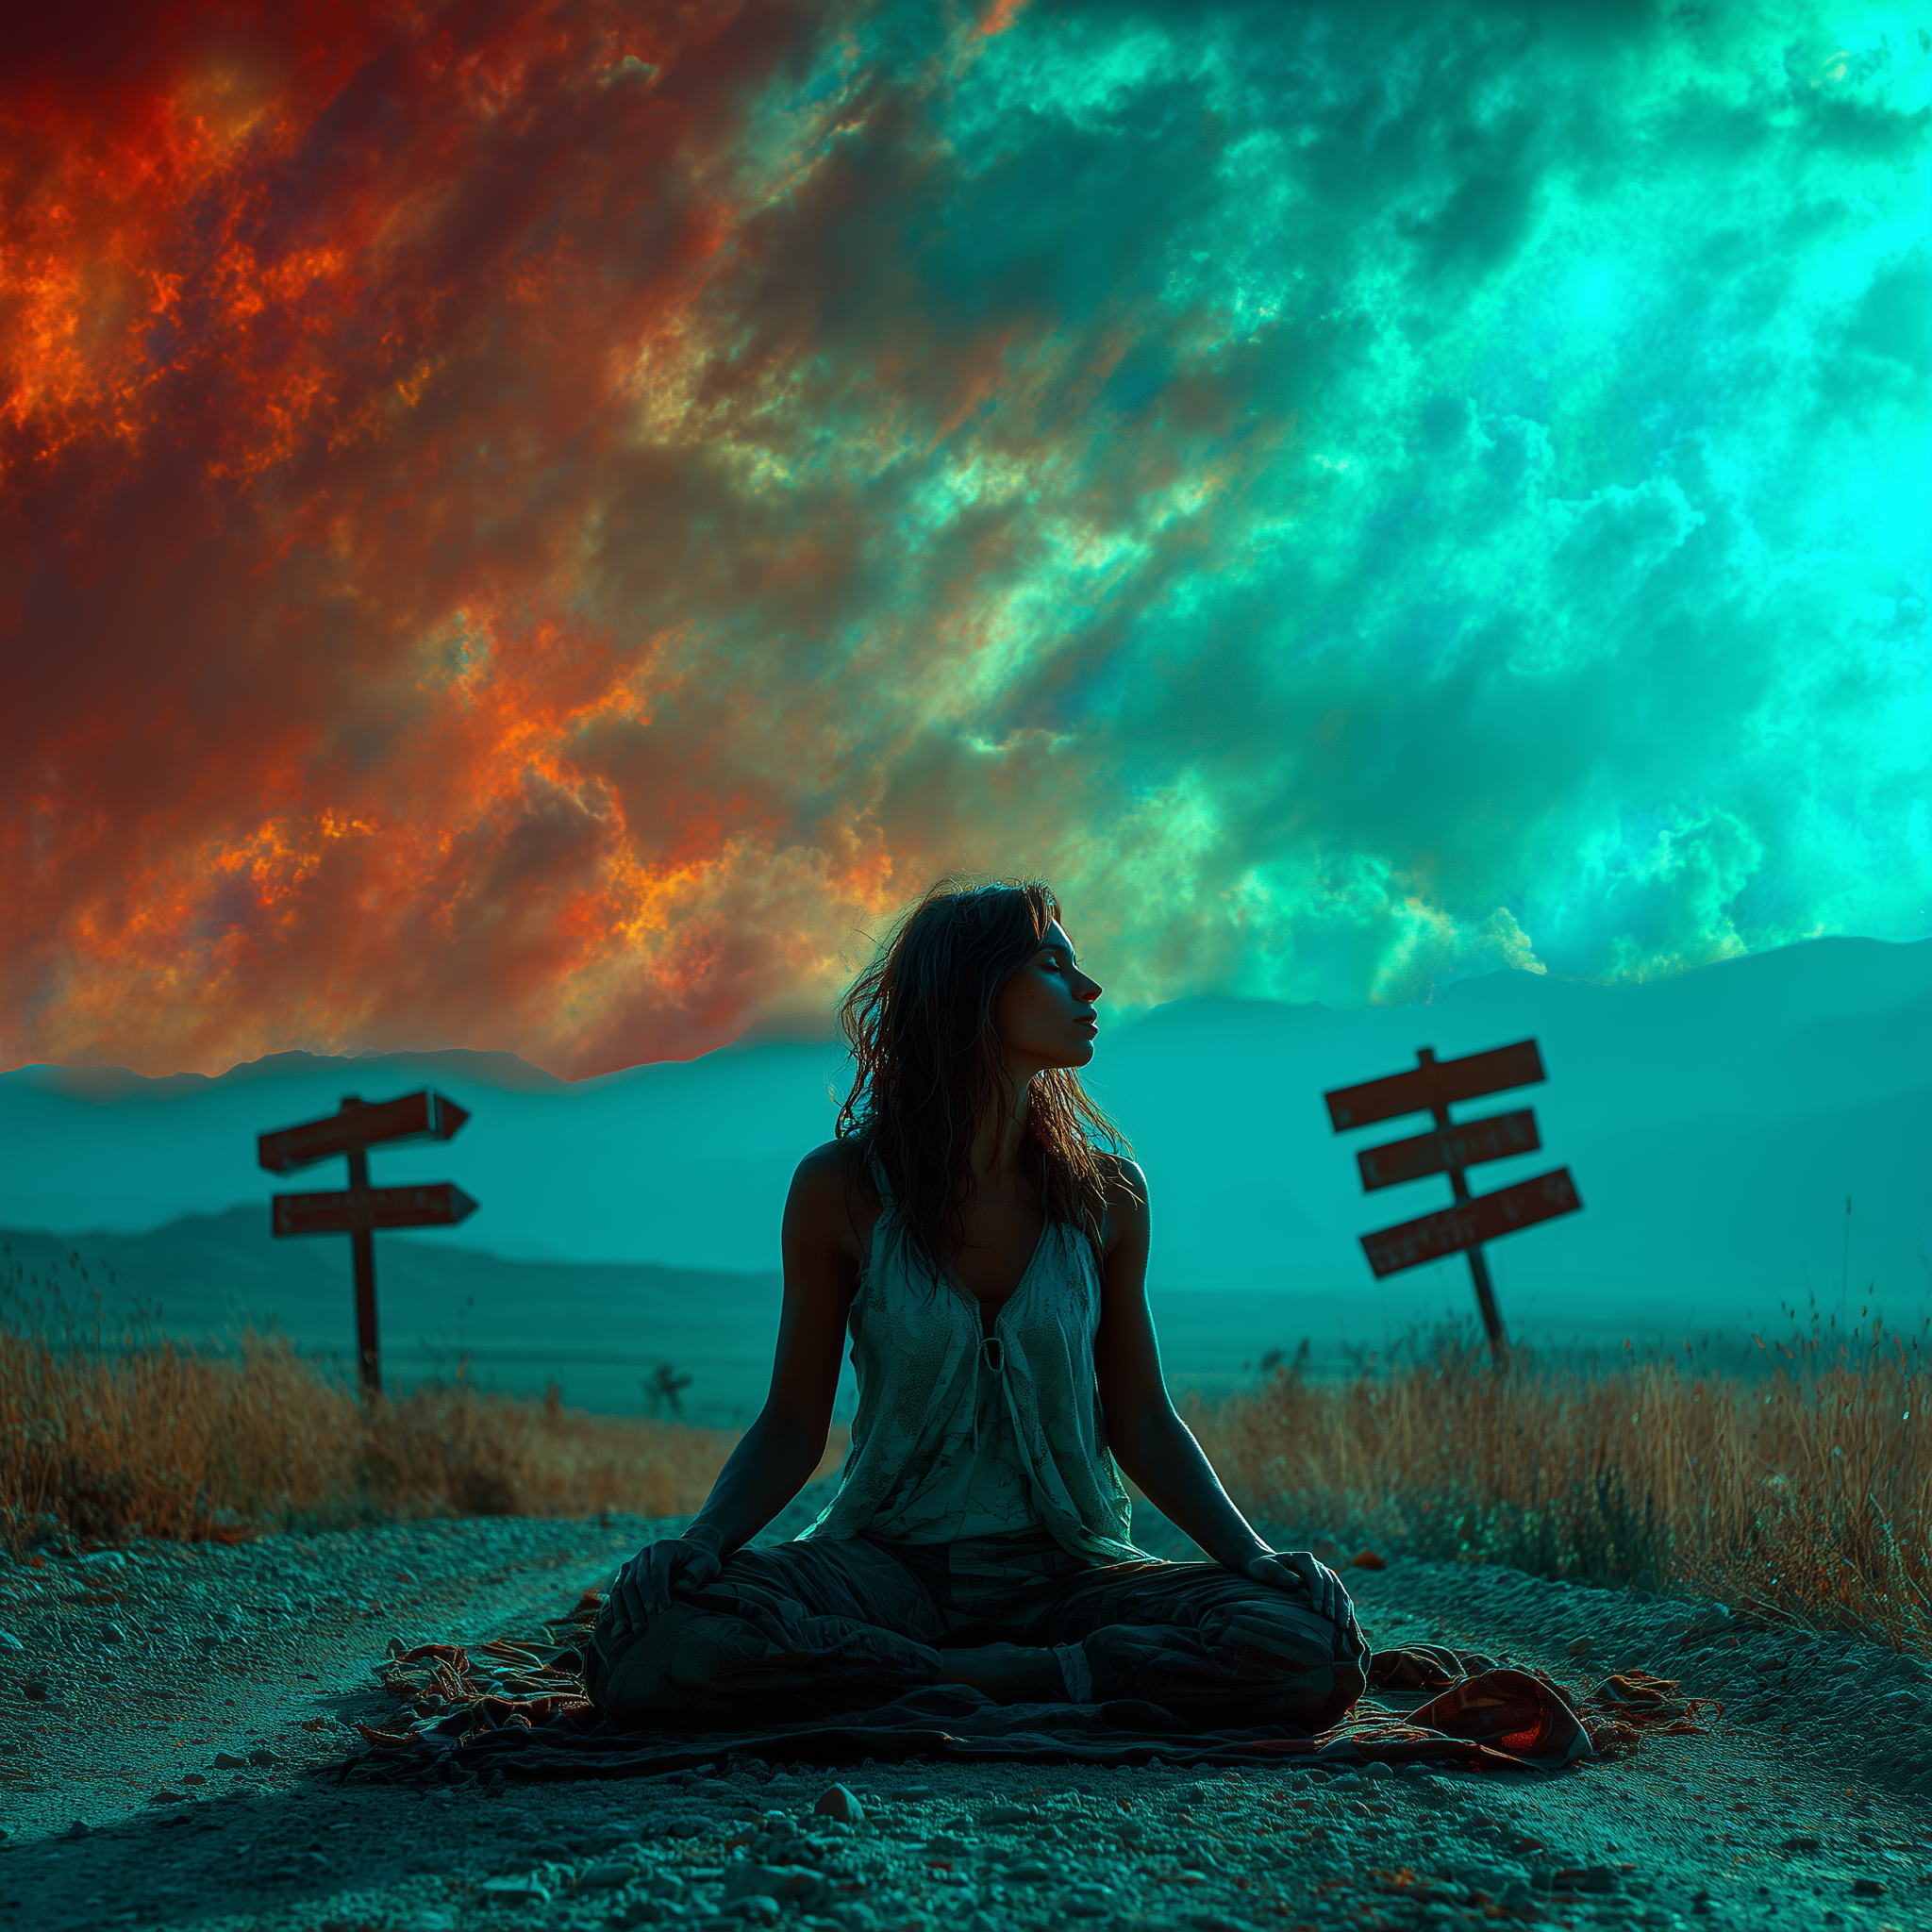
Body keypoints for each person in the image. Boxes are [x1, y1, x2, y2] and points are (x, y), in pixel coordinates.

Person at [588, 877, 1366, 1732]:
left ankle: (958, 1676)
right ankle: (1019, 1677)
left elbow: (1143, 1418)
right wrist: (701, 1544)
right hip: (886, 1569)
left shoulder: (1109, 1196)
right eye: (1052, 965)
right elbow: (793, 1422)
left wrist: (1253, 1558)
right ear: (972, 990)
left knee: (1313, 1644)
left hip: (1070, 1576)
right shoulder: (841, 1188)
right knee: (651, 1640)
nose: (1089, 987)